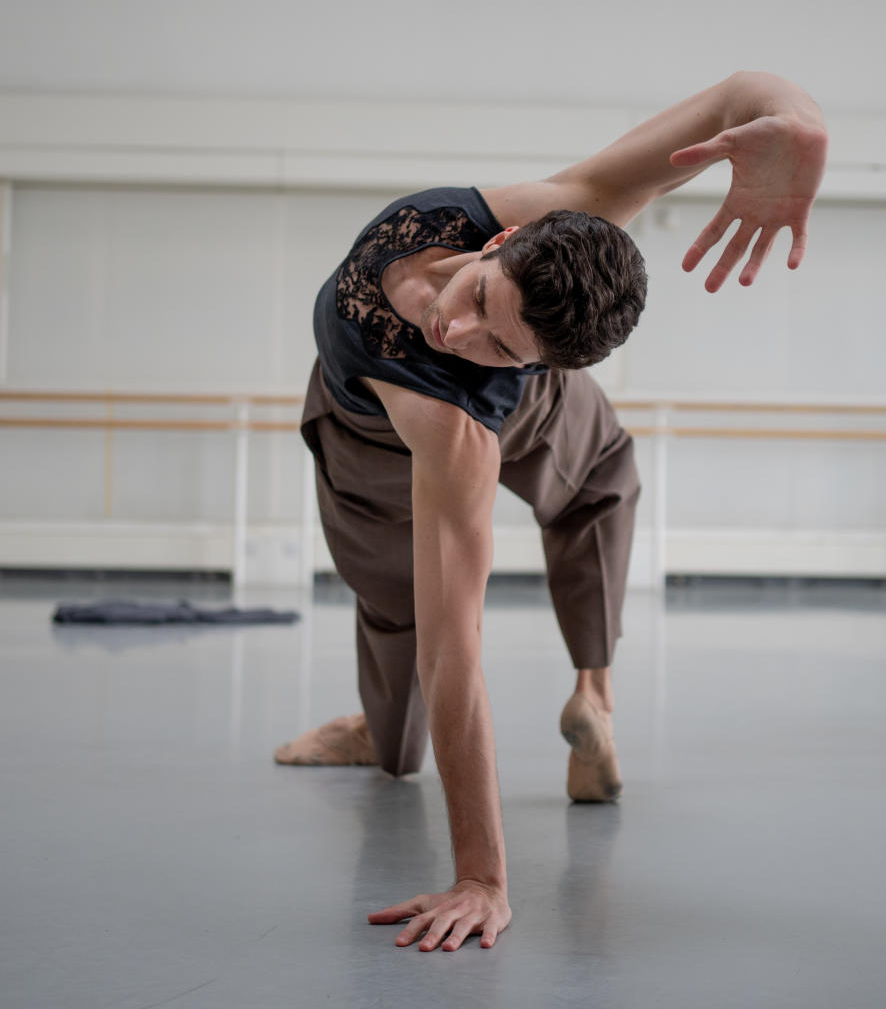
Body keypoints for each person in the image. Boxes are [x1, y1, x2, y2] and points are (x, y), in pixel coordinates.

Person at [273, 71, 829, 953]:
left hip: (452, 426)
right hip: (373, 438)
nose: (459, 338)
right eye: (480, 302)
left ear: (544, 361)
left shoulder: (458, 423)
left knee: (557, 509)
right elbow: (737, 100)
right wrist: (796, 126)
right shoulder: (556, 206)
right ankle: (404, 731)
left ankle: (589, 696)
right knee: (419, 591)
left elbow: (457, 653)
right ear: (508, 238)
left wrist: (484, 878)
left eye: (503, 346)